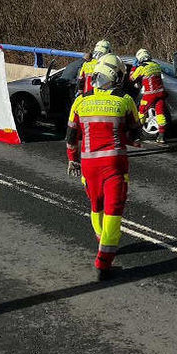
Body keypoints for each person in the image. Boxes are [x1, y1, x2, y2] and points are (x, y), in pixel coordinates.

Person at [66, 52, 140, 280]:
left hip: (88, 166)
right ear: (115, 76)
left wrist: (72, 159)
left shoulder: (80, 101)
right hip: (114, 165)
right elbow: (135, 135)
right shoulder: (124, 101)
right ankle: (103, 263)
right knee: (113, 213)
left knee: (96, 206)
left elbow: (70, 137)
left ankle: (101, 241)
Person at [130, 48, 167, 144]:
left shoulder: (142, 67)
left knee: (142, 112)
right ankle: (161, 136)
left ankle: (137, 134)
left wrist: (134, 67)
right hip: (161, 93)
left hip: (150, 94)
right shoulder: (156, 65)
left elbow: (132, 78)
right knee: (160, 113)